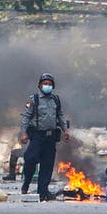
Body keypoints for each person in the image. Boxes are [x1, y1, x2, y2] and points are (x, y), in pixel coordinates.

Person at [19, 72, 69, 202]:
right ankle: (26, 183)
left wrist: (65, 130)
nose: (47, 86)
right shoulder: (34, 99)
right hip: (37, 135)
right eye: (45, 83)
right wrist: (23, 133)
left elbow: (60, 115)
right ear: (40, 85)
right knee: (30, 159)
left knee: (47, 165)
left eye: (50, 84)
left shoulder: (56, 100)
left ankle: (43, 191)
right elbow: (26, 117)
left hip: (50, 137)